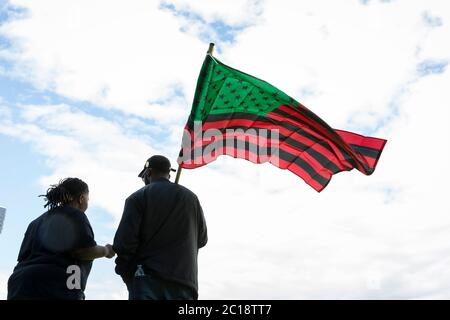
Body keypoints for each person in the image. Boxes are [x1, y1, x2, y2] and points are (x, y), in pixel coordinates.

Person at [113, 155, 207, 300]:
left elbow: (123, 244)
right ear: (168, 174)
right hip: (185, 283)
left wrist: (127, 274)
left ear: (148, 173)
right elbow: (201, 239)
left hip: (148, 281)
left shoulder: (137, 198)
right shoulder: (191, 199)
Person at [7, 178, 115, 300]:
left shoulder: (35, 223)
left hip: (19, 284)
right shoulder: (75, 214)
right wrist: (106, 250)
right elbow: (83, 251)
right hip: (55, 286)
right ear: (81, 199)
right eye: (87, 199)